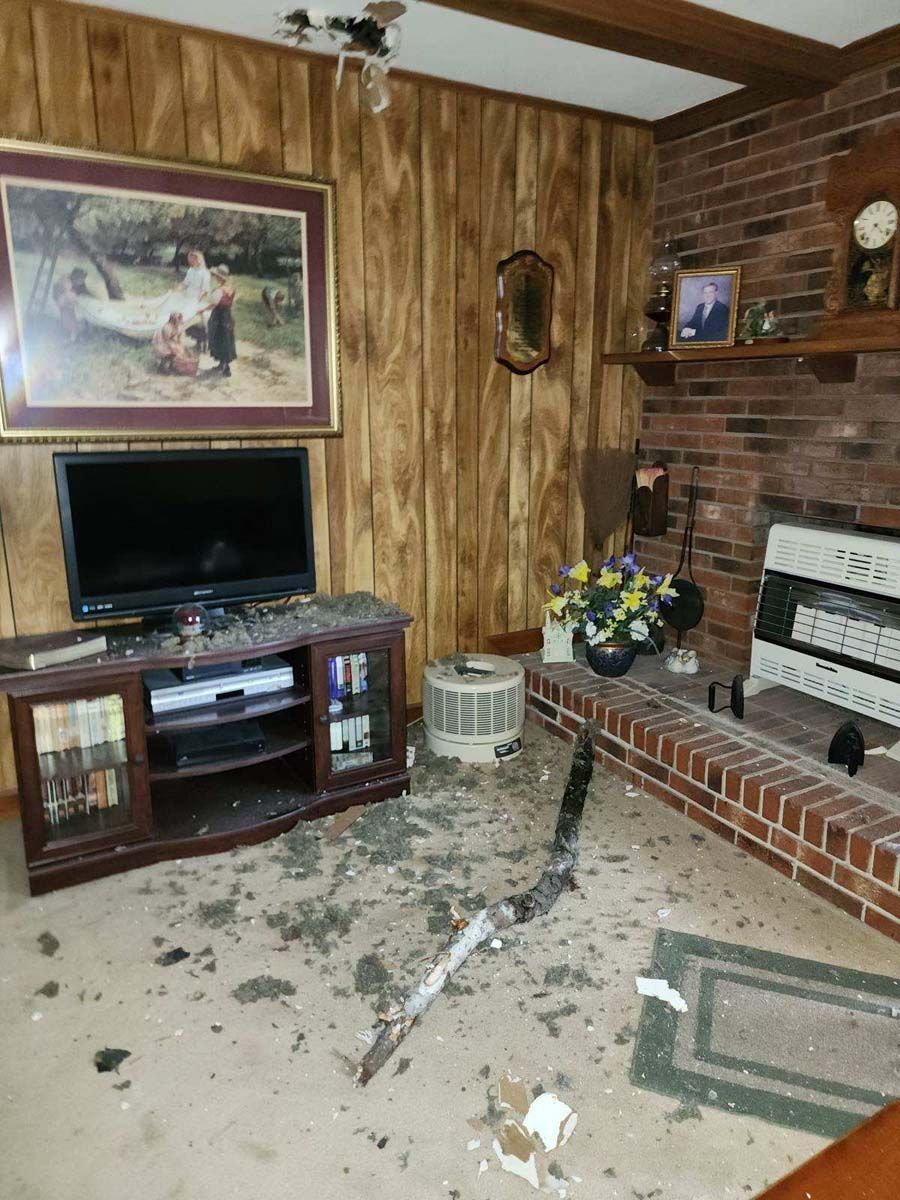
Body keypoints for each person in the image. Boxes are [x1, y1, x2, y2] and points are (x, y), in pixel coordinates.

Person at [206, 265, 237, 377]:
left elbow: (213, 304)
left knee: (218, 338)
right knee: (226, 339)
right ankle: (223, 364)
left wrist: (202, 309)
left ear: (219, 278)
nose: (215, 278)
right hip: (227, 316)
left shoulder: (219, 290)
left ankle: (225, 367)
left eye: (216, 276)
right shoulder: (230, 289)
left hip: (218, 316)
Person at [180, 249, 211, 351]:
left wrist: (197, 300)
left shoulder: (205, 273)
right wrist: (179, 289)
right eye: (190, 259)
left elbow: (205, 290)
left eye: (192, 259)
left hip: (198, 299)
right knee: (185, 318)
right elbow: (185, 283)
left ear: (198, 260)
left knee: (199, 321)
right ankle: (195, 341)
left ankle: (204, 343)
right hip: (188, 298)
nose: (190, 262)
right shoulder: (191, 270)